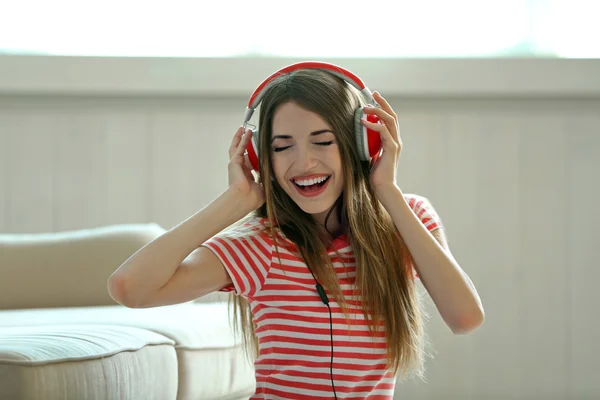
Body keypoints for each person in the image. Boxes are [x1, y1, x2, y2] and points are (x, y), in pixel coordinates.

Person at [108, 62, 484, 399]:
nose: (303, 162)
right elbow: (130, 287)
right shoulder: (258, 246)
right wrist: (234, 201)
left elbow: (465, 317)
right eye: (281, 147)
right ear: (261, 158)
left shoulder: (407, 219)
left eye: (322, 141)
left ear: (361, 145)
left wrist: (387, 190)